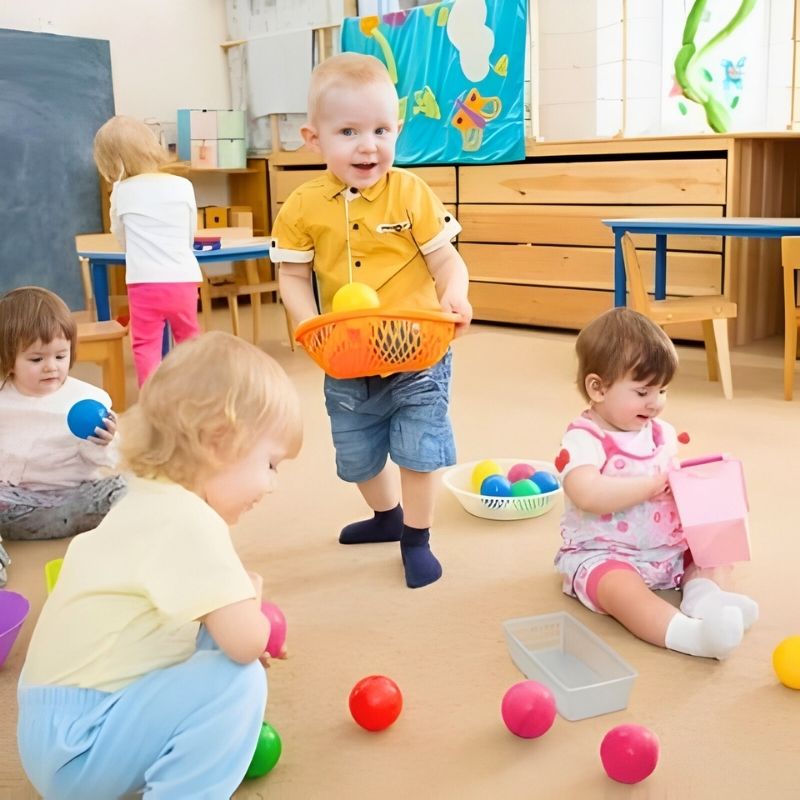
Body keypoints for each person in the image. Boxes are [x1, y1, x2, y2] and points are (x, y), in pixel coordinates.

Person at [17, 331, 303, 798]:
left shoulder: (144, 500)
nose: (272, 485)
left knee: (214, 649)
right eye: (270, 464)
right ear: (219, 442)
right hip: (83, 743)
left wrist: (228, 610)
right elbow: (249, 642)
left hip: (56, 733)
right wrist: (248, 597)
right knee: (239, 680)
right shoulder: (190, 522)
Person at [271, 53, 472, 589]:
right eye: (349, 131)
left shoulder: (411, 193)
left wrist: (456, 295)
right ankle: (386, 518)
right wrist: (308, 324)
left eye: (382, 129)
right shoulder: (300, 206)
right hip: (346, 351)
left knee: (419, 444)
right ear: (314, 139)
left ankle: (417, 537)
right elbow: (291, 278)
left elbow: (447, 259)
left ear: (397, 129)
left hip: (418, 346)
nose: (369, 145)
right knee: (357, 454)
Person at [554, 307, 758, 660]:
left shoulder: (660, 433)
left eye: (662, 390)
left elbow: (671, 483)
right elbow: (586, 493)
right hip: (606, 553)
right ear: (597, 388)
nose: (656, 403)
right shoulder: (584, 439)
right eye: (643, 391)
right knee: (621, 591)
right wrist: (650, 486)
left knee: (714, 551)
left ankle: (706, 600)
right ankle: (690, 635)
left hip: (666, 547)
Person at [0, 287, 124, 587]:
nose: (51, 366)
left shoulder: (89, 398)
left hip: (80, 503)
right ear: (8, 359)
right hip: (16, 509)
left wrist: (104, 441)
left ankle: (131, 547)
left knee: (130, 486)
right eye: (36, 359)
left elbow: (103, 462)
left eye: (60, 355)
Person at [93, 115, 202, 386]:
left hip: (144, 283)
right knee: (190, 341)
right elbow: (189, 233)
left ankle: (152, 406)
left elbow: (120, 236)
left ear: (110, 160)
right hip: (183, 278)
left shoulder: (121, 191)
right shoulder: (182, 185)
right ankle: (198, 395)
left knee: (146, 346)